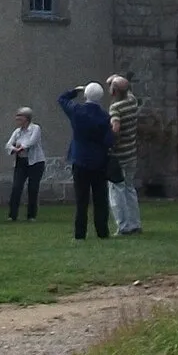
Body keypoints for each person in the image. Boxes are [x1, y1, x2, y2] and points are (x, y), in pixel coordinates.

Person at [58, 82, 113, 240]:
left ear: (86, 95)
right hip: (99, 160)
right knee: (100, 199)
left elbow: (61, 99)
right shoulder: (104, 117)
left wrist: (74, 91)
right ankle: (102, 231)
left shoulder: (77, 111)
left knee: (81, 200)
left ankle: (80, 233)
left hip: (80, 159)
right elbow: (109, 141)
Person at [104, 75, 143, 236]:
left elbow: (116, 128)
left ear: (114, 91)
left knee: (116, 189)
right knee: (129, 188)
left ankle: (123, 226)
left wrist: (110, 142)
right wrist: (114, 80)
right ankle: (135, 223)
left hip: (119, 154)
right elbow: (123, 86)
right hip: (131, 152)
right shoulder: (132, 101)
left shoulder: (116, 108)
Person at [5, 107, 45, 220]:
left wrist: (21, 146)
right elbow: (8, 144)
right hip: (21, 162)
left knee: (33, 188)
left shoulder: (35, 128)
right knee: (16, 187)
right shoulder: (17, 132)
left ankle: (31, 215)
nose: (17, 120)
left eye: (19, 118)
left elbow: (32, 142)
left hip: (35, 162)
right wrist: (14, 148)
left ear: (26, 119)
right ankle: (12, 215)